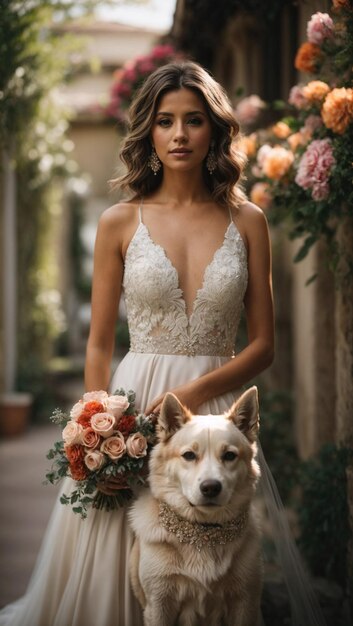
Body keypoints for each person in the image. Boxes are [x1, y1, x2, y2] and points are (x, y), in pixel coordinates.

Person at [0, 61, 325, 626]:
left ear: (215, 130)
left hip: (215, 413)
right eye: (165, 121)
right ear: (147, 131)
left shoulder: (248, 221)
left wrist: (195, 391)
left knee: (219, 565)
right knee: (119, 553)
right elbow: (99, 343)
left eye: (194, 121)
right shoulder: (118, 222)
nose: (179, 135)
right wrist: (98, 424)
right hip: (132, 410)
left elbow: (264, 345)